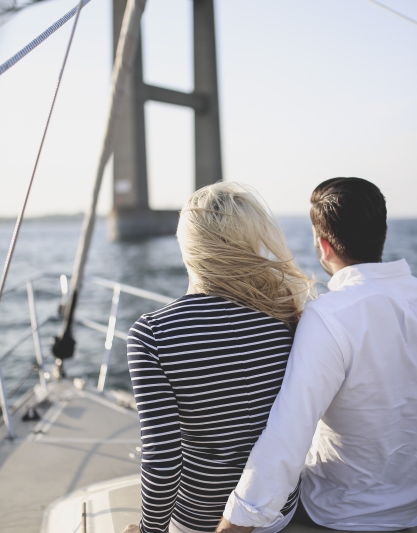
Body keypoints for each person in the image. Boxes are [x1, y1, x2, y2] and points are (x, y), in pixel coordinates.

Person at [216, 177, 417, 533]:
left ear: (322, 245)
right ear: (381, 234)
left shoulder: (327, 316)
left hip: (329, 514)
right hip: (409, 514)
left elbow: (286, 439)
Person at [122, 182, 314, 533]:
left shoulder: (152, 334)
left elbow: (164, 459)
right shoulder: (285, 315)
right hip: (276, 510)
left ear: (188, 248)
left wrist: (150, 531)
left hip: (201, 519)